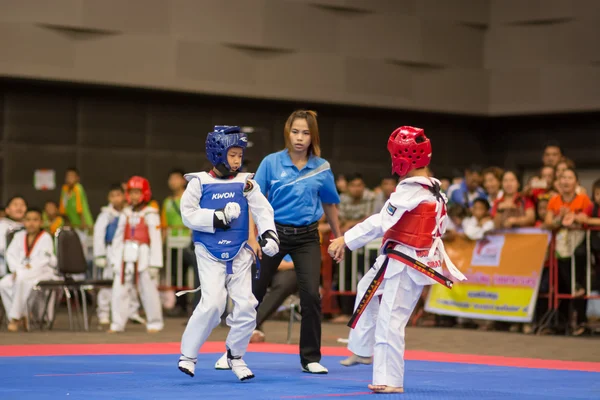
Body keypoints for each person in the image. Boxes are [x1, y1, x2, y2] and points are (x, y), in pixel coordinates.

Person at [328, 126, 466, 394]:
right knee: (366, 289)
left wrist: (345, 239)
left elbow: (381, 220)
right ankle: (363, 349)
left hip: (406, 262)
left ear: (402, 158)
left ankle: (390, 379)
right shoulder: (434, 189)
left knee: (391, 319)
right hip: (400, 255)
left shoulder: (411, 191)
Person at [214, 110, 342, 374]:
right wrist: (252, 237)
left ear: (313, 136)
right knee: (253, 296)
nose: (299, 138)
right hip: (273, 234)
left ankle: (310, 359)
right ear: (288, 132)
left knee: (311, 297)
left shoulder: (322, 167)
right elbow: (251, 200)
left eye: (306, 133)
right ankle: (230, 353)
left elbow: (329, 203)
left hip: (308, 237)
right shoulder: (271, 163)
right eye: (295, 131)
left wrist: (339, 237)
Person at [177, 125, 279, 381]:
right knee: (213, 304)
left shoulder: (246, 182)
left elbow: (262, 209)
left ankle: (235, 356)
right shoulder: (199, 182)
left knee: (246, 305)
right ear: (218, 154)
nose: (237, 160)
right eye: (232, 154)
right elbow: (187, 214)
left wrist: (269, 234)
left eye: (239, 154)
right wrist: (217, 217)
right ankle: (188, 356)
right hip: (209, 251)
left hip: (240, 252)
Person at [109, 176, 164, 333]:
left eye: (137, 192)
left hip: (144, 254)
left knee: (148, 289)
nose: (134, 196)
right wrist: (114, 259)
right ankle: (117, 324)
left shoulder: (151, 213)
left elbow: (156, 239)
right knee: (119, 289)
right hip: (125, 255)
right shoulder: (125, 213)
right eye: (131, 192)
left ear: (145, 193)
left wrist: (155, 263)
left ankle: (155, 322)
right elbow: (118, 237)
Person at [93, 184, 143, 327]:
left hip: (127, 251)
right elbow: (98, 235)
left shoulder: (128, 213)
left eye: (119, 195)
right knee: (108, 282)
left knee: (130, 282)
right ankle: (103, 313)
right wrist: (100, 255)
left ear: (124, 196)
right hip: (110, 252)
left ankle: (132, 312)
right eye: (113, 196)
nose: (116, 198)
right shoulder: (105, 214)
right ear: (109, 198)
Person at [0, 208, 57, 332]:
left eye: (35, 220)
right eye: (28, 220)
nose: (31, 223)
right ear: (24, 222)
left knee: (22, 279)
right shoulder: (19, 236)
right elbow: (10, 255)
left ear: (41, 222)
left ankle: (14, 318)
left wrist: (28, 268)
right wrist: (16, 269)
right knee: (3, 284)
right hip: (20, 271)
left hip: (42, 272)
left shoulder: (45, 237)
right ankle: (24, 315)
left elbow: (45, 258)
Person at [0, 196, 27, 277]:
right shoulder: (2, 226)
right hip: (4, 274)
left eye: (22, 205)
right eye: (15, 205)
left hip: (26, 272)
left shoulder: (30, 228)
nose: (19, 207)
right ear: (7, 210)